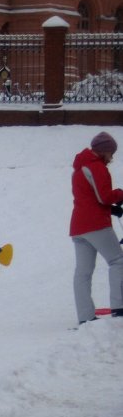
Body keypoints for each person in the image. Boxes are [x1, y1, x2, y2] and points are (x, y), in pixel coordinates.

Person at [70, 131, 123, 323]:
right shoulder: (97, 166)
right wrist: (120, 195)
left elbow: (89, 199)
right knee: (118, 261)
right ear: (104, 151)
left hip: (78, 226)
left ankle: (85, 317)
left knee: (83, 272)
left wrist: (111, 210)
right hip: (96, 224)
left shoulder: (78, 169)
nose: (112, 157)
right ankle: (119, 308)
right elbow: (105, 197)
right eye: (111, 153)